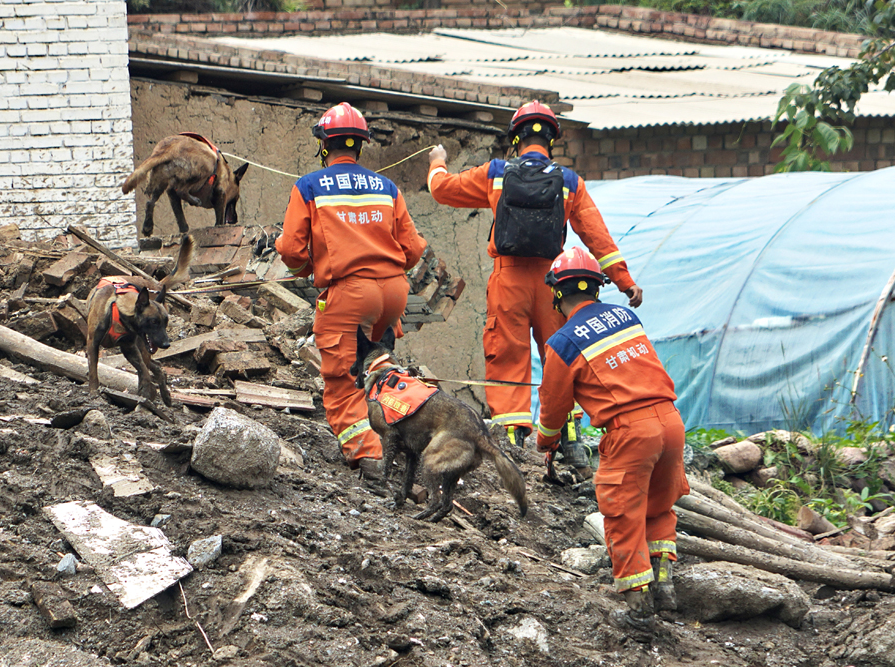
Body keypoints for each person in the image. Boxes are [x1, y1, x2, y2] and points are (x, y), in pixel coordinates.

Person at [426, 100, 643, 456]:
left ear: (516, 139)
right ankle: (570, 436)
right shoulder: (570, 182)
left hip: (507, 280)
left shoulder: (496, 173)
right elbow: (597, 237)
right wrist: (624, 280)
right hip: (554, 284)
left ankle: (513, 437)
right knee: (563, 356)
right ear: (552, 142)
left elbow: (442, 190)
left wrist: (437, 161)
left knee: (507, 353)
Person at [535, 247, 688, 639]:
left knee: (622, 514)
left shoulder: (563, 342)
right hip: (671, 422)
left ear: (556, 294)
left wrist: (546, 441)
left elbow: (553, 408)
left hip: (630, 431)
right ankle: (664, 584)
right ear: (598, 289)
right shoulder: (626, 317)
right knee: (658, 504)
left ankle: (639, 612)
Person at [276, 102, 427, 479]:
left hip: (348, 294)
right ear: (359, 146)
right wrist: (387, 272)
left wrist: (312, 271)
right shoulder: (386, 188)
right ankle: (406, 437)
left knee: (342, 379)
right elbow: (413, 249)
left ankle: (371, 456)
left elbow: (291, 251)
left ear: (325, 146)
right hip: (393, 293)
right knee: (381, 370)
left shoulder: (309, 186)